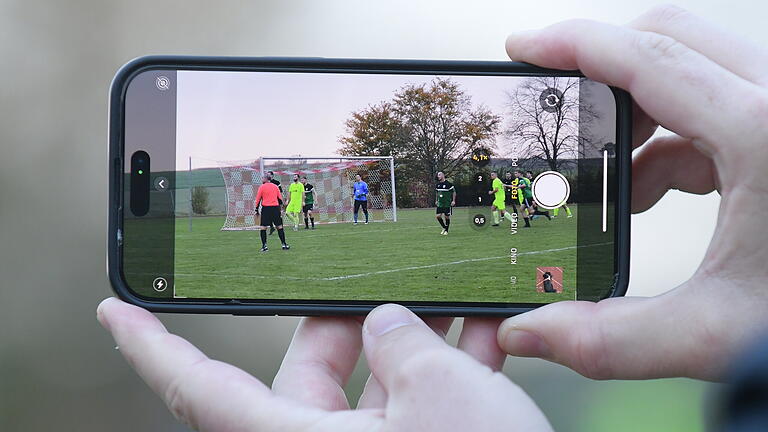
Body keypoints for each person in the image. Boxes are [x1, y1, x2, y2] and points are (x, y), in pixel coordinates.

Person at [97, 6, 768, 431]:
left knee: (346, 221)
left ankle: (422, 227)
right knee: (286, 225)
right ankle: (299, 236)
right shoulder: (279, 189)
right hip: (303, 212)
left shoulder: (426, 187)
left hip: (375, 210)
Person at [254, 173, 289, 251]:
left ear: (266, 179)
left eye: (263, 178)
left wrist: (256, 210)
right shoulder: (275, 187)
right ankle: (284, 244)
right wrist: (281, 209)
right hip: (275, 209)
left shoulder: (262, 187)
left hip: (266, 209)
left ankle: (264, 246)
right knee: (279, 226)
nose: (262, 179)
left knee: (263, 227)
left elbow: (258, 199)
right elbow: (280, 199)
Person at [435, 171, 456, 235]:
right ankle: (444, 227)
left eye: (439, 175)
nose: (438, 176)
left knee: (446, 217)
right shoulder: (438, 185)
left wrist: (453, 201)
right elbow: (437, 193)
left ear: (443, 175)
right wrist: (436, 200)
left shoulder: (449, 184)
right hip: (440, 203)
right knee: (438, 216)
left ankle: (446, 230)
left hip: (447, 203)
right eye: (438, 175)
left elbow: (454, 192)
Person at [267, 170, 283, 236]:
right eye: (267, 175)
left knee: (278, 215)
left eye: (269, 175)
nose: (268, 176)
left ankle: (281, 228)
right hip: (268, 202)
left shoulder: (277, 182)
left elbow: (280, 192)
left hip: (276, 202)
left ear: (272, 175)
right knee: (268, 215)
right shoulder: (265, 183)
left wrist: (281, 201)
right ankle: (271, 227)